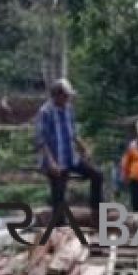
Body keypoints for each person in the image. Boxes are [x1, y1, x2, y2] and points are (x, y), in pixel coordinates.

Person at [35, 78, 103, 223]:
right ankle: (59, 227)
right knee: (59, 195)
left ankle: (96, 213)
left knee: (97, 175)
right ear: (57, 96)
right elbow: (42, 140)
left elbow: (73, 133)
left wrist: (83, 147)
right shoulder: (45, 112)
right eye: (65, 96)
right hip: (55, 160)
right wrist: (51, 162)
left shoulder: (69, 109)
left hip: (70, 157)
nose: (67, 99)